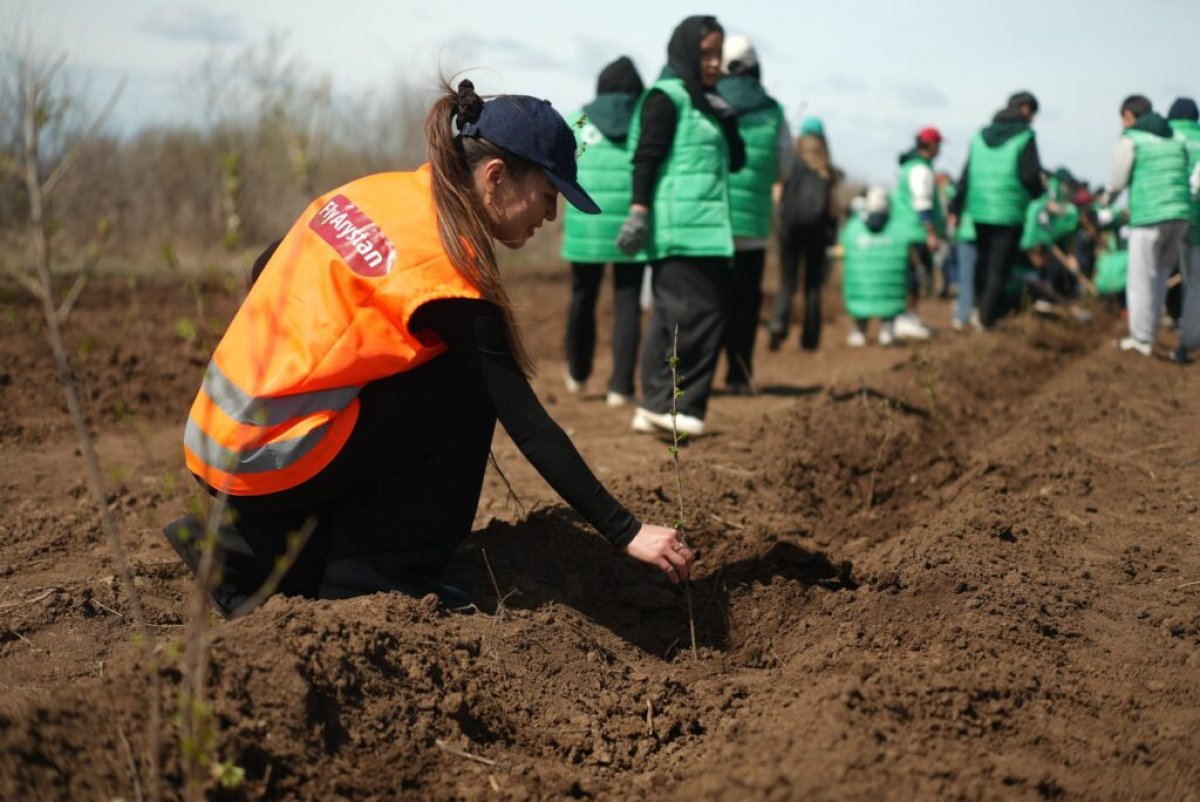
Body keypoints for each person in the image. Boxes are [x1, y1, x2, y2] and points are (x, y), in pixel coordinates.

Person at [163, 81, 695, 618]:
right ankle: (374, 579)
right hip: (267, 460)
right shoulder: (447, 271)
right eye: (548, 195)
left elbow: (264, 265)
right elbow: (528, 422)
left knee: (407, 364)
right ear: (495, 177)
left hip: (215, 437)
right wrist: (627, 532)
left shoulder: (379, 193)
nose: (552, 216)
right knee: (467, 388)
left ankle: (246, 548)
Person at [617, 15, 745, 436]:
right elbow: (647, 157)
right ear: (687, 51)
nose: (713, 62)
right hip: (681, 226)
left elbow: (738, 160)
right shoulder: (666, 97)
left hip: (705, 226)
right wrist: (638, 210)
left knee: (676, 313)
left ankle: (656, 405)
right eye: (705, 53)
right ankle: (673, 405)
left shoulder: (705, 103)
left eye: (718, 54)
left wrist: (726, 118)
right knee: (698, 313)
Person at [561, 56, 647, 406]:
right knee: (627, 303)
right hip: (630, 226)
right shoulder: (644, 123)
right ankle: (620, 387)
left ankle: (578, 373)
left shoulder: (580, 120)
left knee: (583, 296)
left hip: (586, 226)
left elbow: (566, 161)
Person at [715, 34, 791, 393]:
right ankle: (739, 376)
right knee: (746, 303)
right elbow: (785, 164)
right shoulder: (774, 110)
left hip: (711, 222)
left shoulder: (708, 102)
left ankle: (699, 379)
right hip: (753, 224)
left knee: (712, 301)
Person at [949, 90, 1045, 330]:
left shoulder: (979, 136)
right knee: (998, 267)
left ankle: (977, 310)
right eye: (1032, 113)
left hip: (979, 211)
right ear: (1025, 109)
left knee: (982, 263)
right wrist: (1037, 193)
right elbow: (1030, 175)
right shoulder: (1025, 136)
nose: (1032, 119)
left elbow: (966, 175)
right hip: (1009, 212)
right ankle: (986, 319)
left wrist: (957, 206)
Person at [1105, 95, 1192, 358]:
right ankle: (1151, 334)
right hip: (1180, 215)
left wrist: (1105, 203)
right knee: (1161, 277)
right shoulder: (1175, 138)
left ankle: (1141, 339)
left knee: (1141, 278)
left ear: (1129, 116)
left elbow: (1117, 182)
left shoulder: (1132, 139)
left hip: (1148, 215)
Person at [766, 119, 839, 351]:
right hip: (817, 233)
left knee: (787, 282)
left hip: (789, 230)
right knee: (812, 285)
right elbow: (832, 208)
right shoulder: (826, 170)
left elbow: (777, 197)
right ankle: (810, 338)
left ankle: (778, 325)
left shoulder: (790, 164)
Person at [888, 127, 945, 340]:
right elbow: (922, 202)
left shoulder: (909, 167)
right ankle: (906, 318)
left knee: (910, 274)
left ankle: (907, 317)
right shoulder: (921, 169)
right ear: (930, 145)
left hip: (904, 230)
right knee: (914, 275)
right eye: (938, 144)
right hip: (914, 231)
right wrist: (931, 232)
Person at [841, 186, 909, 346]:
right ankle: (887, 330)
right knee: (889, 297)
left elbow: (843, 244)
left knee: (861, 299)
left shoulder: (853, 227)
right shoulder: (897, 227)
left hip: (861, 285)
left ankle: (859, 330)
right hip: (889, 287)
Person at [1167, 97, 1200, 363]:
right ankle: (1190, 338)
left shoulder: (1168, 139)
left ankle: (1187, 340)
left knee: (1190, 281)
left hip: (1177, 217)